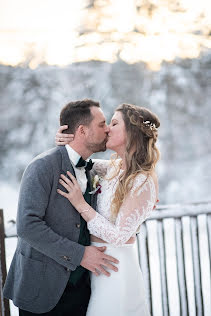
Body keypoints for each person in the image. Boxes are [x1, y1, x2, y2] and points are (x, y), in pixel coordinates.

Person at [3, 99, 119, 316]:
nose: (107, 130)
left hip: (83, 290)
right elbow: (28, 226)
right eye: (102, 124)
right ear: (82, 131)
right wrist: (80, 255)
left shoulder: (94, 169)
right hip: (42, 288)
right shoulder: (41, 167)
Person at [56, 103, 160, 316]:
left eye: (114, 123)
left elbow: (120, 235)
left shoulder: (141, 180)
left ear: (131, 133)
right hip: (98, 267)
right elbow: (81, 161)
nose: (107, 129)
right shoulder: (112, 168)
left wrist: (80, 205)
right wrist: (66, 142)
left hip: (116, 269)